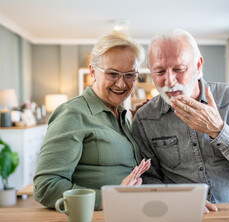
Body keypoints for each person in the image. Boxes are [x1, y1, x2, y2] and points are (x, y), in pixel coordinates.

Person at [131, 29, 229, 213]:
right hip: (181, 215)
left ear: (198, 66)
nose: (169, 80)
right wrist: (180, 201)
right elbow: (148, 179)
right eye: (159, 71)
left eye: (179, 69)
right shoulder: (145, 118)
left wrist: (219, 131)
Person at [34, 31, 150, 210]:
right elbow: (46, 186)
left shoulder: (124, 117)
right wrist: (109, 199)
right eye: (112, 74)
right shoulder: (72, 113)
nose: (121, 84)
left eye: (130, 75)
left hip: (129, 213)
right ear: (93, 72)